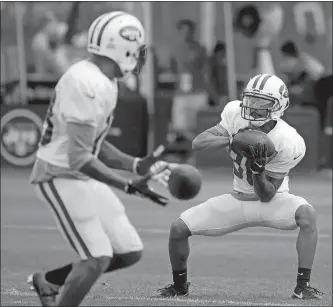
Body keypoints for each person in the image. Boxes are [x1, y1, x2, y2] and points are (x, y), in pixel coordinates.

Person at [27, 11, 167, 307]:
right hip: (59, 175)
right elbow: (79, 158)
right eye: (137, 50)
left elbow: (95, 147)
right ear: (123, 49)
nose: (140, 57)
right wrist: (128, 185)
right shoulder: (86, 84)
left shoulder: (105, 80)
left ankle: (49, 281)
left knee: (128, 251)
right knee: (96, 257)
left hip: (80, 174)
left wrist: (134, 165)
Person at [157, 74, 323, 300]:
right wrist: (236, 138)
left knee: (307, 215)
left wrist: (258, 170)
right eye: (250, 101)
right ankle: (179, 287)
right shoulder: (235, 114)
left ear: (278, 106)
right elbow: (198, 143)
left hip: (272, 202)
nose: (253, 109)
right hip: (236, 199)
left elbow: (266, 196)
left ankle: (303, 287)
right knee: (178, 229)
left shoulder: (289, 141)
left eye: (261, 104)